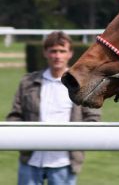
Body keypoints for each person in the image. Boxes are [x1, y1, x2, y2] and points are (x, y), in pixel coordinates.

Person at [6, 31, 101, 185]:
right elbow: (14, 116)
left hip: (64, 162)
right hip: (30, 160)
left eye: (62, 51)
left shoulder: (83, 84)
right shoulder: (27, 82)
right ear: (45, 53)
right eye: (53, 51)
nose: (57, 56)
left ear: (70, 53)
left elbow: (93, 119)